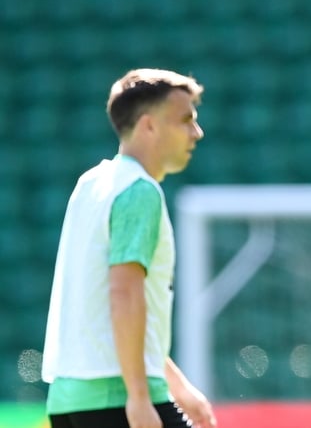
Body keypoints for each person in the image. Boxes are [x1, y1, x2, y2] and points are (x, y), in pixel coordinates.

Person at [42, 68, 217, 428]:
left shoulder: (91, 184)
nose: (196, 133)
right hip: (118, 398)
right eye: (186, 120)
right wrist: (139, 398)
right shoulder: (140, 191)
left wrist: (178, 387)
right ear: (149, 126)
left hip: (68, 400)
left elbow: (104, 309)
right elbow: (124, 293)